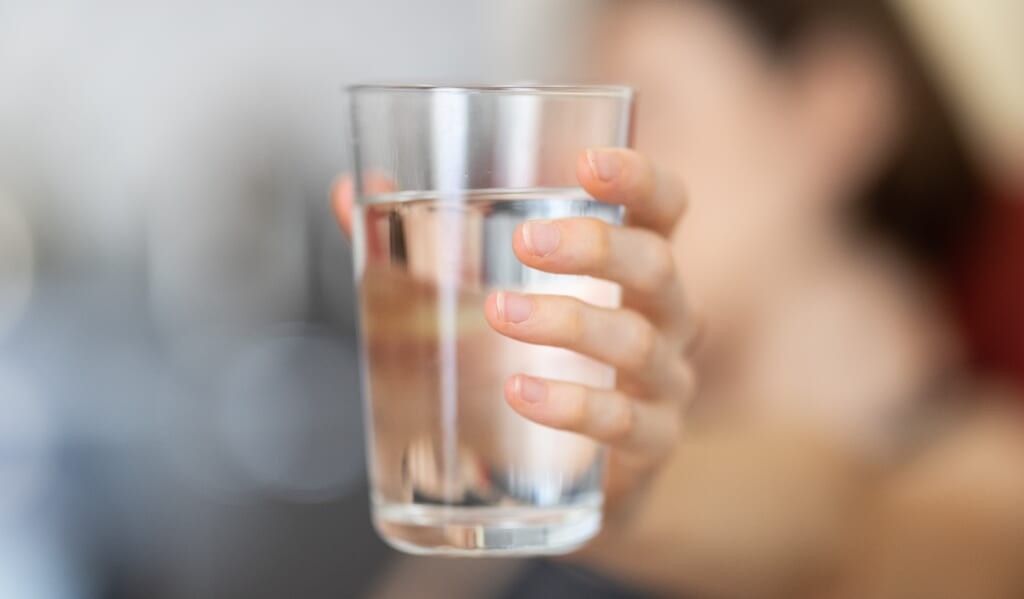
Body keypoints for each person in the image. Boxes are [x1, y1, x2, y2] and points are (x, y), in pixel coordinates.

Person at [334, 0, 1024, 596]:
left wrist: (614, 496)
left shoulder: (981, 475)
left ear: (836, 106)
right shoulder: (573, 434)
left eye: (648, 109)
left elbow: (834, 522)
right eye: (569, 126)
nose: (572, 173)